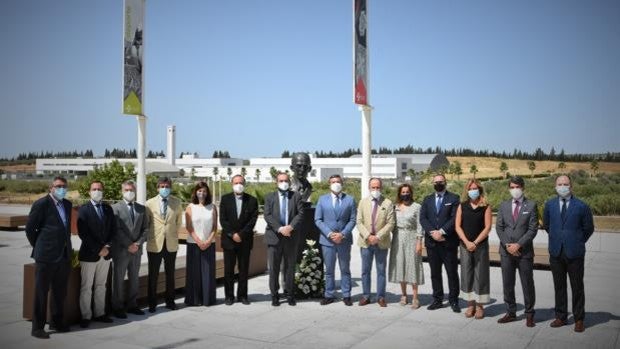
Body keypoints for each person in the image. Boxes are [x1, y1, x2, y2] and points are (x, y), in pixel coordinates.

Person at [543, 174, 594, 333]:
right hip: (556, 252)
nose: (563, 187)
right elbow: (547, 225)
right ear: (555, 186)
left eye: (566, 184)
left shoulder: (582, 206)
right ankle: (561, 316)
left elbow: (588, 228)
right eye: (560, 184)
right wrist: (558, 238)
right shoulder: (549, 205)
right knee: (559, 286)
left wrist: (577, 240)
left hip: (575, 252)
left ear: (571, 186)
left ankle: (579, 319)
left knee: (577, 286)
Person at [25, 176, 73, 339]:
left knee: (60, 292)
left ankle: (56, 322)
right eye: (58, 186)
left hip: (64, 256)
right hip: (46, 256)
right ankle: (37, 327)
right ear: (50, 188)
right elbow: (30, 229)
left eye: (64, 186)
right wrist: (40, 246)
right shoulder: (41, 204)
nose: (62, 189)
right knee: (41, 292)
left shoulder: (67, 204)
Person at [496, 176, 538, 327]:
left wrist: (518, 245)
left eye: (517, 187)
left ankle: (529, 314)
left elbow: (533, 229)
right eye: (512, 187)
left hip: (524, 252)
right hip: (506, 252)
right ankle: (511, 312)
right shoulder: (503, 205)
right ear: (509, 188)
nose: (515, 190)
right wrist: (508, 245)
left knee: (527, 283)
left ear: (523, 187)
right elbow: (499, 227)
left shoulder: (531, 205)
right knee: (508, 283)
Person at [420, 174, 461, 312]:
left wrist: (442, 231)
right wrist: (433, 232)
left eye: (441, 182)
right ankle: (437, 299)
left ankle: (454, 300)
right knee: (435, 273)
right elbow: (423, 218)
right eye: (436, 182)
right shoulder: (427, 199)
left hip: (448, 242)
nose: (438, 184)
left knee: (452, 273)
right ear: (433, 183)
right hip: (432, 243)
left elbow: (454, 218)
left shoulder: (454, 198)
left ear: (445, 182)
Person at [263, 172, 305, 306]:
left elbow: (301, 214)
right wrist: (280, 229)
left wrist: (290, 227)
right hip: (274, 237)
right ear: (276, 182)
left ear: (290, 182)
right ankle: (274, 295)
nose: (284, 183)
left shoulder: (296, 196)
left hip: (291, 237)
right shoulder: (270, 197)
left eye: (286, 180)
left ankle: (290, 294)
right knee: (274, 268)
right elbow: (267, 215)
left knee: (290, 267)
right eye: (281, 181)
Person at [314, 174, 357, 306]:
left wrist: (342, 234)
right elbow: (318, 219)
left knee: (345, 269)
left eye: (338, 181)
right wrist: (330, 233)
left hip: (344, 240)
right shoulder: (322, 199)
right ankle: (329, 294)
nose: (336, 183)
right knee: (329, 270)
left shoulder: (350, 200)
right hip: (327, 241)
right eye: (333, 181)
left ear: (342, 183)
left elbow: (352, 220)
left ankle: (346, 295)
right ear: (329, 184)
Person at [77, 180, 115, 328]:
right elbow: (83, 234)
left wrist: (107, 246)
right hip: (89, 254)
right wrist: (98, 248)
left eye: (99, 189)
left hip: (105, 254)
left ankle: (100, 313)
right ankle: (86, 316)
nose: (97, 191)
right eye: (94, 189)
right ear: (89, 192)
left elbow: (113, 230)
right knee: (86, 286)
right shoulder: (83, 210)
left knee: (101, 285)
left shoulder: (107, 209)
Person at [111, 180, 149, 319]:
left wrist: (137, 244)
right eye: (126, 190)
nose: (129, 192)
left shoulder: (141, 208)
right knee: (118, 279)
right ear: (122, 191)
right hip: (121, 250)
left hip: (136, 250)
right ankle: (117, 307)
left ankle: (132, 305)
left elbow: (146, 229)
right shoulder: (115, 208)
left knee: (134, 279)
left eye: (132, 190)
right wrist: (128, 244)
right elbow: (116, 230)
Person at [454, 179, 492, 319]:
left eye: (475, 188)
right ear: (467, 190)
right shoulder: (462, 206)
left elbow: (487, 227)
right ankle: (470, 304)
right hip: (465, 246)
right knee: (467, 274)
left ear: (480, 190)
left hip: (480, 245)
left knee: (480, 274)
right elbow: (457, 226)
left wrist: (475, 242)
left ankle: (480, 306)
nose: (473, 191)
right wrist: (466, 242)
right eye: (471, 188)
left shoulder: (486, 206)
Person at [219, 175, 258, 305]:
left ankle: (242, 296)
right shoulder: (225, 199)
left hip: (245, 241)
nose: (239, 185)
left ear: (244, 184)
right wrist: (232, 234)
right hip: (229, 241)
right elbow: (223, 220)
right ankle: (229, 296)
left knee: (244, 270)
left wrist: (241, 234)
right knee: (228, 270)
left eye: (241, 182)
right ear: (232, 184)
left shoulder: (252, 200)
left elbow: (253, 220)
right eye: (236, 182)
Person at [145, 177, 183, 312]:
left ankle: (170, 301)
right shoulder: (149, 203)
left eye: (167, 186)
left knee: (170, 274)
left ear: (170, 187)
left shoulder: (177, 202)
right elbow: (147, 223)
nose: (164, 188)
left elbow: (178, 222)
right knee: (153, 275)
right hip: (154, 244)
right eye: (162, 186)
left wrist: (170, 233)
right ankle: (152, 303)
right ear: (157, 188)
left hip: (171, 244)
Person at [356, 177, 395, 307]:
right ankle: (366, 296)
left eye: (378, 187)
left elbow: (391, 223)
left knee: (381, 271)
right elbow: (359, 221)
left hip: (381, 242)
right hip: (366, 242)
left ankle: (381, 297)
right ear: (369, 188)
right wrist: (368, 236)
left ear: (381, 188)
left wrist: (377, 236)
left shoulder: (388, 203)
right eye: (373, 187)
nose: (375, 190)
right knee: (365, 271)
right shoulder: (362, 202)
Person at [388, 183, 424, 309]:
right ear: (399, 194)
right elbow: (390, 223)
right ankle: (403, 295)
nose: (405, 194)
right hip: (398, 238)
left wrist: (419, 242)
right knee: (400, 266)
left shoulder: (417, 207)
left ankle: (415, 297)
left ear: (411, 192)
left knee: (413, 266)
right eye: (403, 192)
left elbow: (420, 225)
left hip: (412, 237)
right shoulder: (395, 207)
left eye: (407, 192)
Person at [184, 181, 217, 306]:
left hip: (209, 244)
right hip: (194, 244)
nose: (201, 193)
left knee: (208, 273)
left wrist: (208, 241)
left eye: (204, 191)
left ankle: (208, 299)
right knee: (194, 273)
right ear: (195, 192)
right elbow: (189, 227)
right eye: (199, 190)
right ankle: (194, 299)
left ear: (207, 192)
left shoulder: (212, 207)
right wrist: (198, 241)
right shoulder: (190, 207)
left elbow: (215, 227)